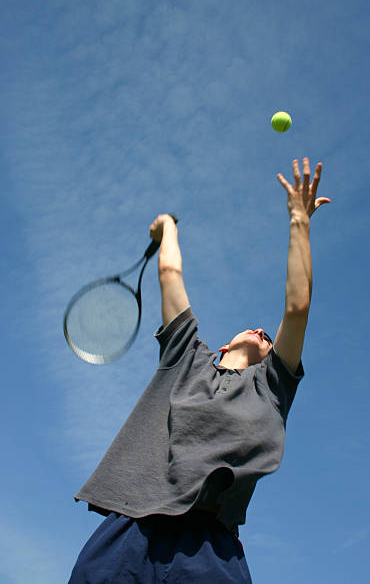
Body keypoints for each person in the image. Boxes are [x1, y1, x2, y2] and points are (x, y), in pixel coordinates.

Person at [68, 158, 330, 583]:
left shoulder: (272, 388)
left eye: (269, 337)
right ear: (224, 344)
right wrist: (166, 228)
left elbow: (297, 308)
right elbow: (170, 273)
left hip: (209, 549)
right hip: (131, 527)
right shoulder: (185, 358)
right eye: (255, 328)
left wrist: (299, 222)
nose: (264, 330)